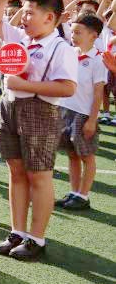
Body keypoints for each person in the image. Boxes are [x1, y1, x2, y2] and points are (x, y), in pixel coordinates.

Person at [0, 0, 77, 261]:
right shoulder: (21, 39)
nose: (23, 18)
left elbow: (67, 88)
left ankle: (37, 238)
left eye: (29, 13)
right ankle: (17, 231)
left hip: (39, 111)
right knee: (15, 170)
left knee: (39, 174)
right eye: (23, 12)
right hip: (10, 106)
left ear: (50, 18)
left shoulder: (61, 48)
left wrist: (28, 84)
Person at [56, 13, 105, 211]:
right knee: (72, 154)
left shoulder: (98, 60)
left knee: (87, 155)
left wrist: (92, 120)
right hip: (66, 109)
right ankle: (74, 192)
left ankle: (84, 195)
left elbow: (98, 91)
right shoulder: (71, 53)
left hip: (84, 114)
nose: (73, 35)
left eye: (78, 32)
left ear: (93, 35)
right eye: (73, 31)